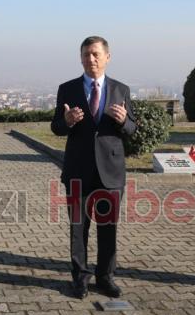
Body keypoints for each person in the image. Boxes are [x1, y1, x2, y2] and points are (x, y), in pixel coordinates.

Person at [51, 36, 136, 299]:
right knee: (78, 228)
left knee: (108, 228)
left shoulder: (121, 89)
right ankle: (80, 277)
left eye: (96, 54)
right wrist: (66, 121)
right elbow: (56, 127)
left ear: (107, 57)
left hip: (110, 172)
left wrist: (124, 121)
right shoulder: (68, 89)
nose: (91, 59)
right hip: (78, 170)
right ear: (81, 58)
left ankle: (105, 276)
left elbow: (132, 129)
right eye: (86, 54)